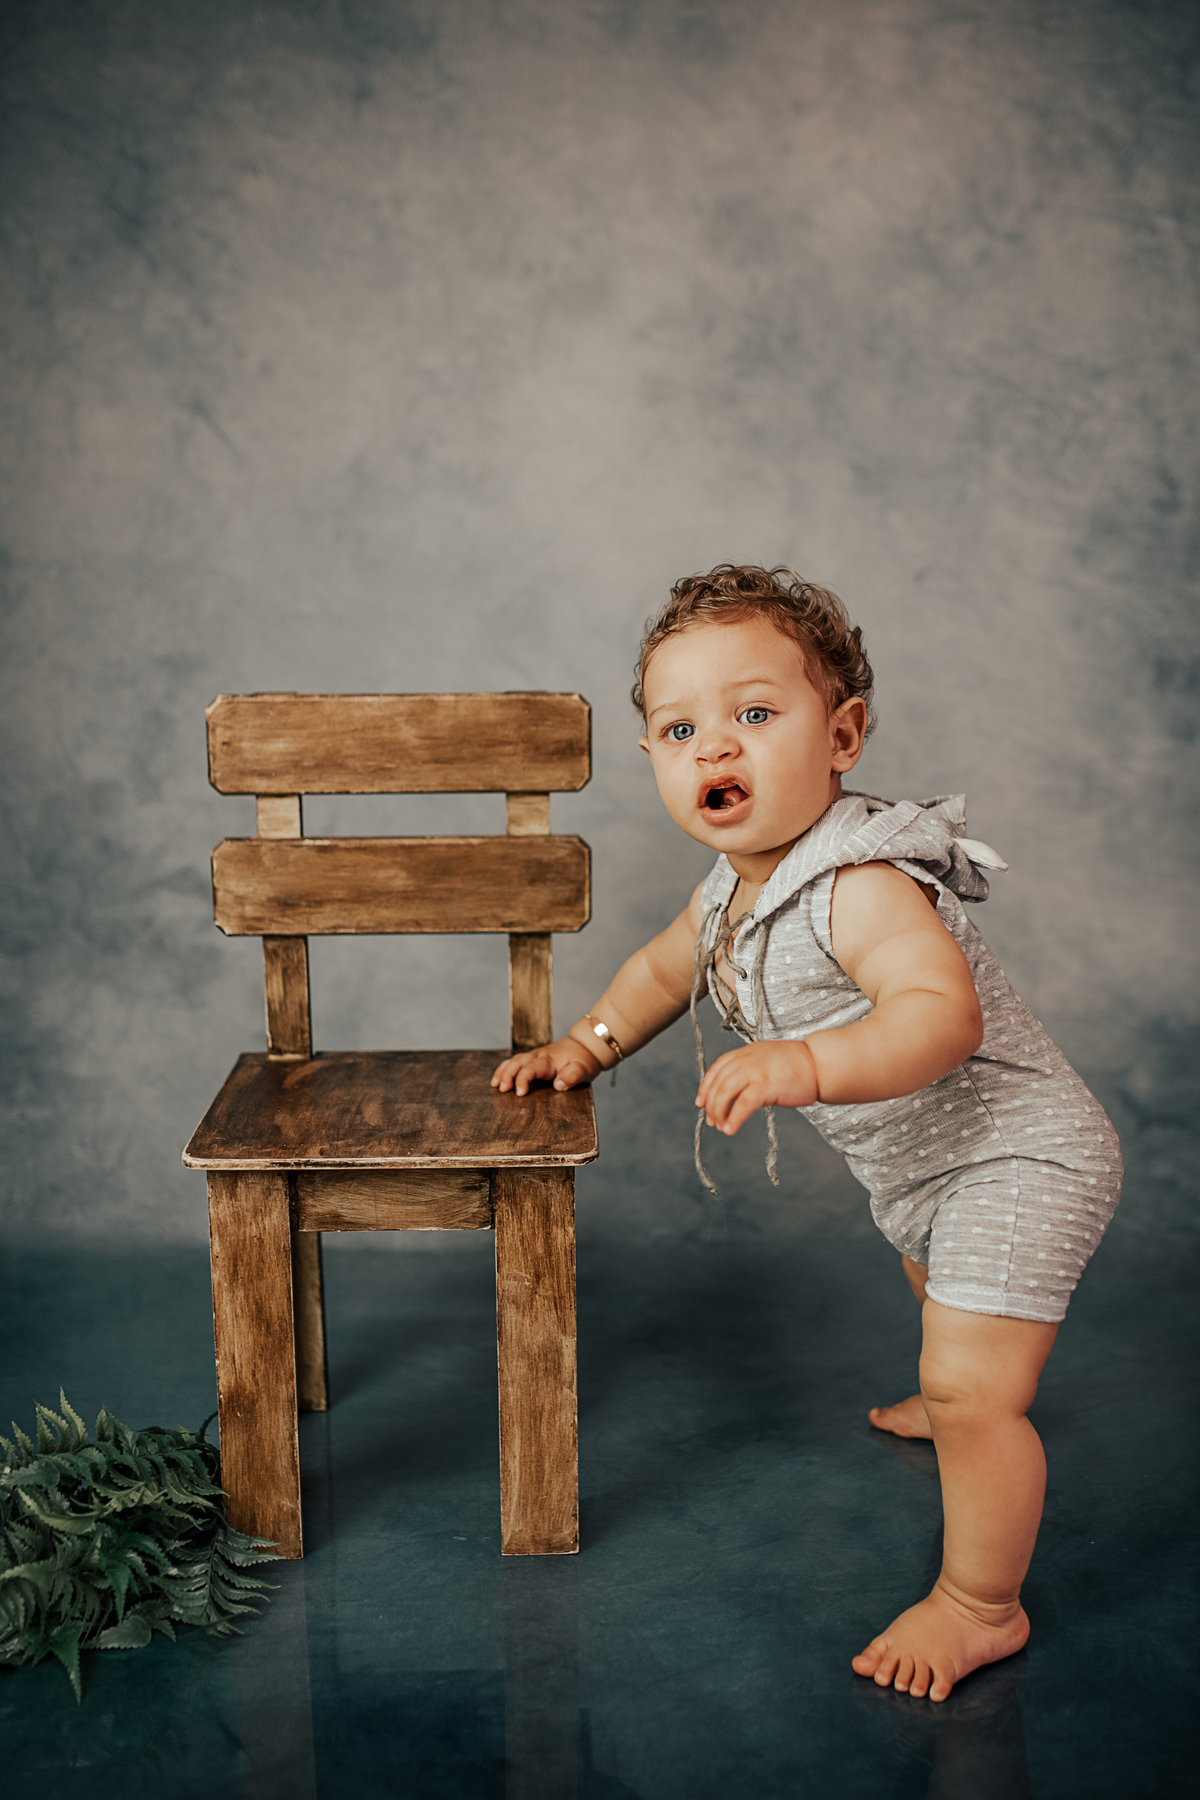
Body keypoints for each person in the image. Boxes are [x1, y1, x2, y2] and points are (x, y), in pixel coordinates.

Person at [492, 564, 1121, 1703]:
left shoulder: (863, 880)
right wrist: (585, 1045)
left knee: (984, 1388)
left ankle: (982, 1603)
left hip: (1019, 1152)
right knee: (944, 1302)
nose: (715, 748)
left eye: (754, 714)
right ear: (654, 762)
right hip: (921, 1168)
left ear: (843, 736)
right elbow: (658, 975)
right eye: (682, 728)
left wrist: (806, 1063)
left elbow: (940, 1017)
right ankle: (949, 1388)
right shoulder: (725, 893)